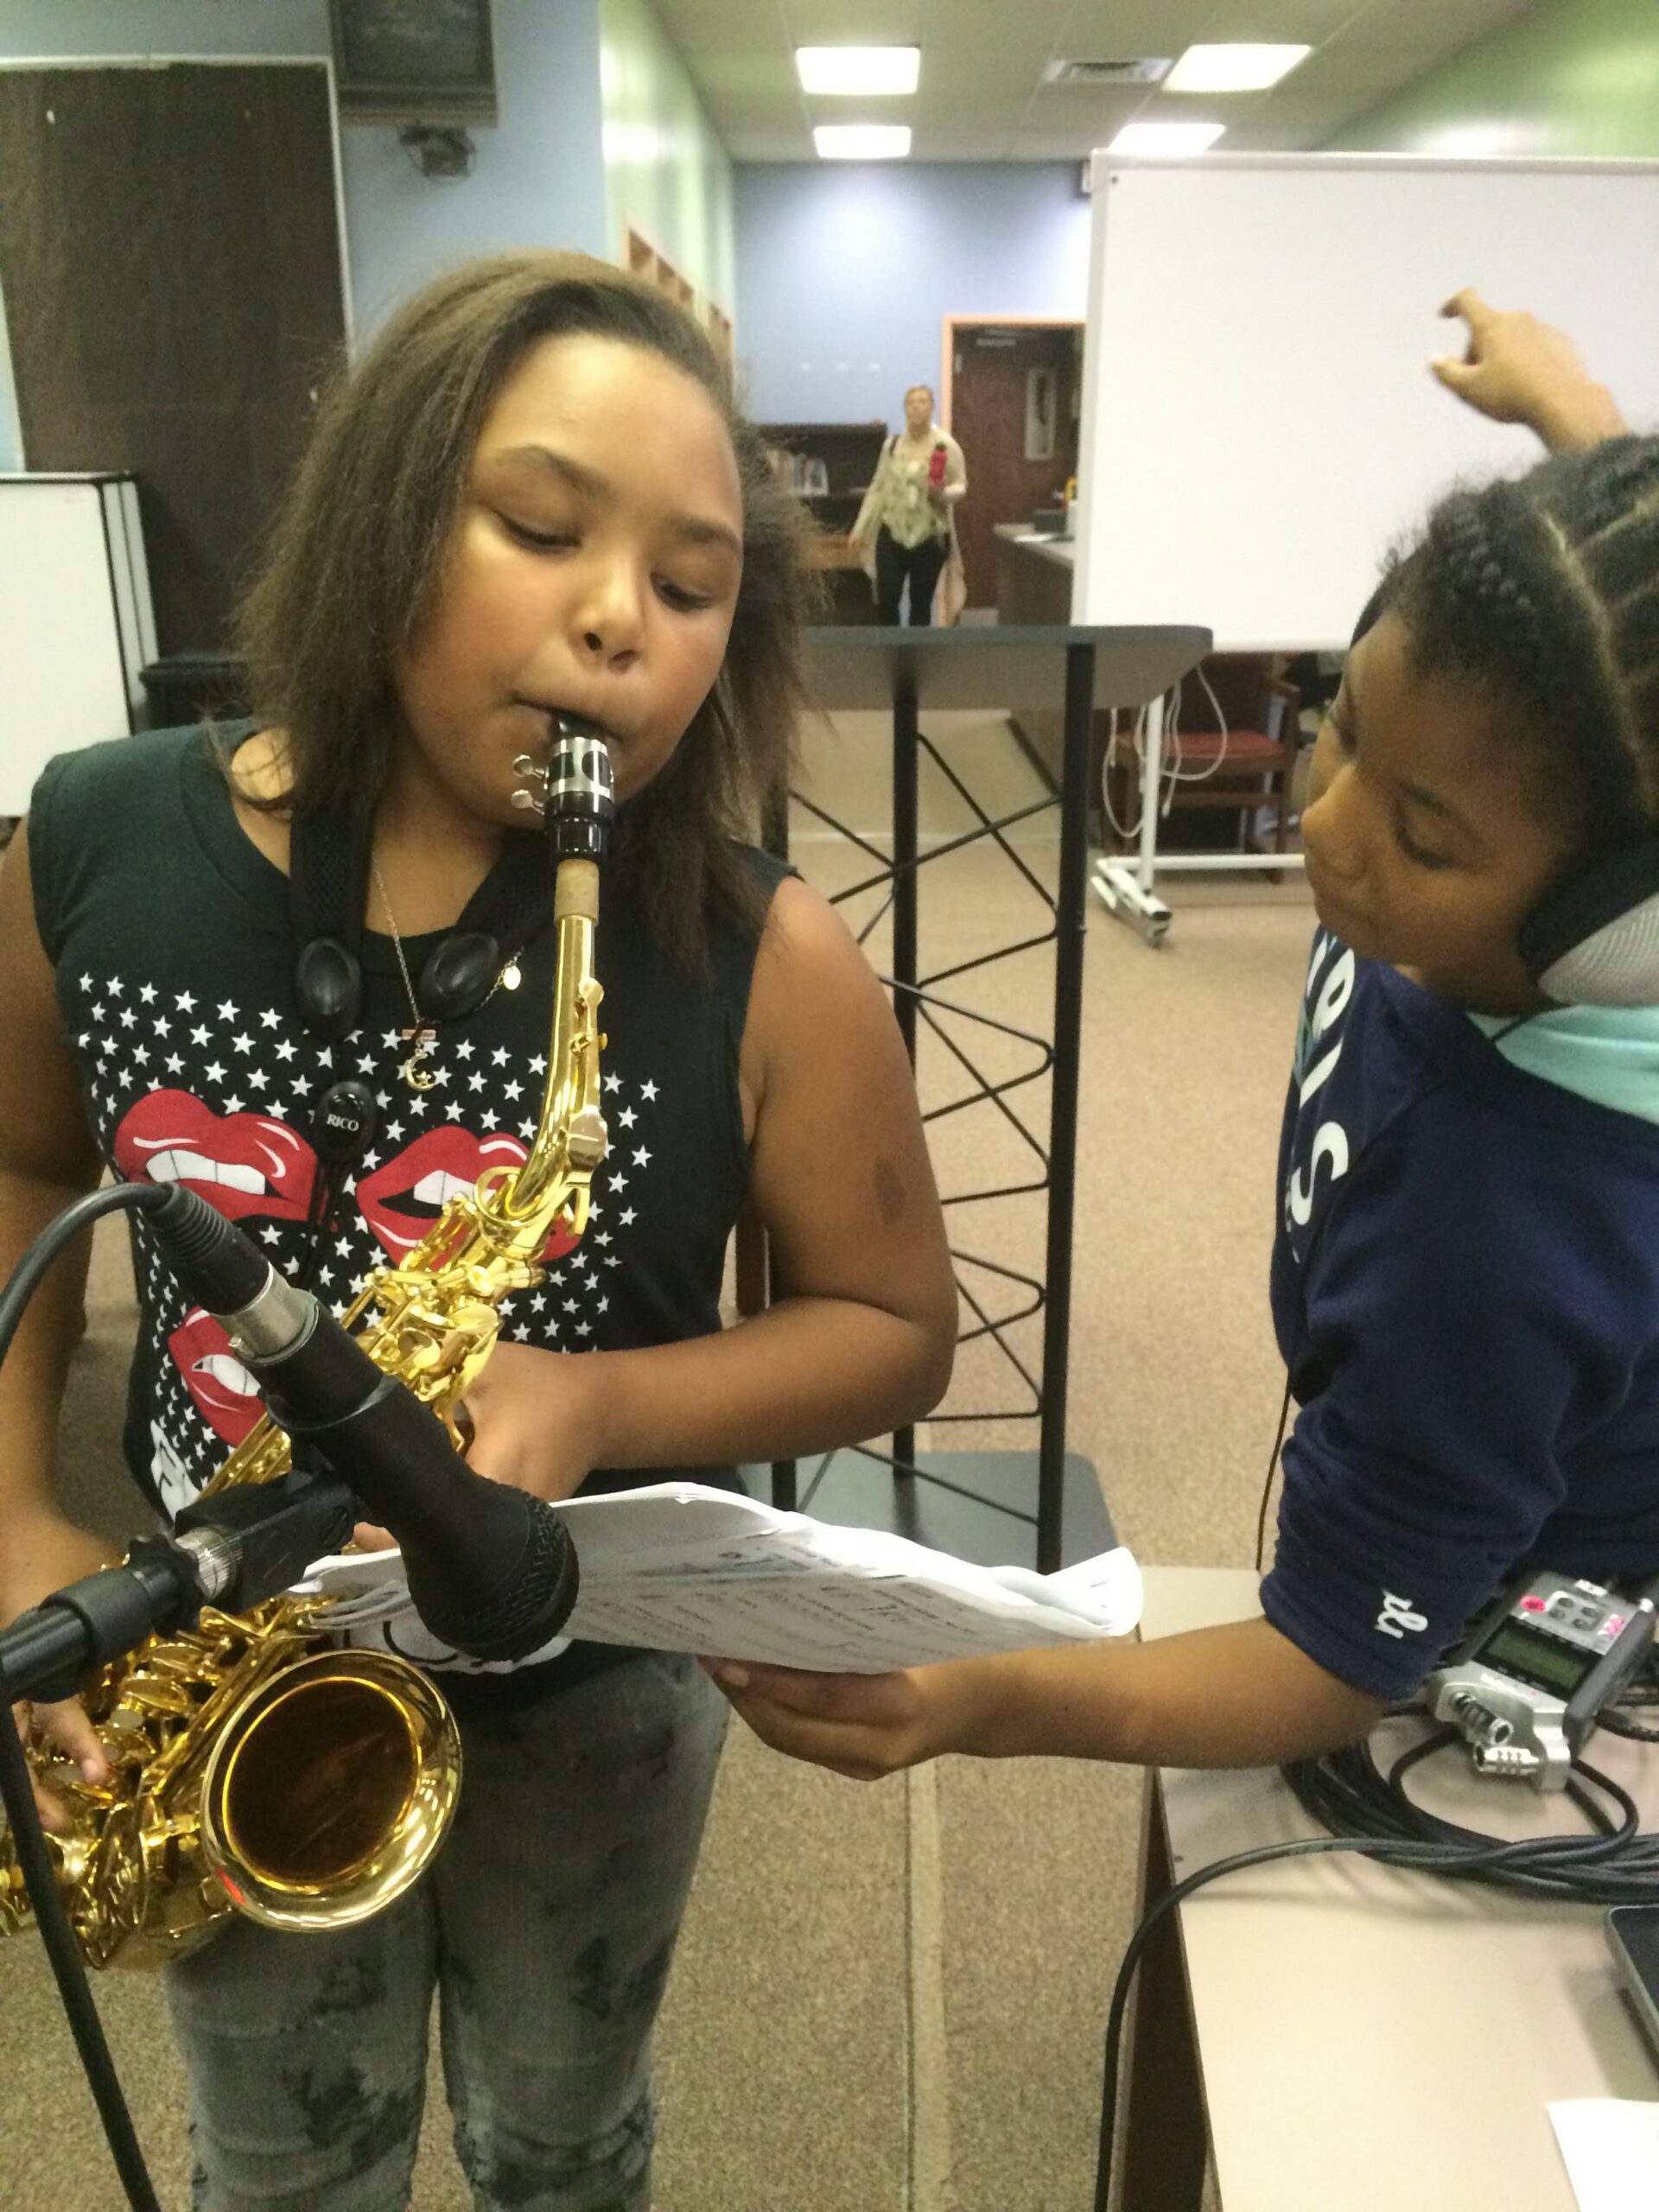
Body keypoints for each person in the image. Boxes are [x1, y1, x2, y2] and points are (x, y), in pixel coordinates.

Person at [0, 251, 957, 2211]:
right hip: (227, 1646)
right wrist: (13, 1507)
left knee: (561, 2132)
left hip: (591, 1664)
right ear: (377, 514)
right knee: (275, 2161)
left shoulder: (764, 954)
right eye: (538, 526)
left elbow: (889, 1322)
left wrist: (598, 1392)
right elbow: (17, 1164)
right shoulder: (88, 847)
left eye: (692, 589)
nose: (620, 618)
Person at [704, 296, 1659, 1782]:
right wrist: (1574, 418)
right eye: (1344, 726)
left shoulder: (1498, 1237)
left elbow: (1331, 1662)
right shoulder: (1575, 773)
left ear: (1616, 933)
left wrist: (983, 1698)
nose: (1329, 832)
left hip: (1514, 1615)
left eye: (1424, 832)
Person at [849, 383, 967, 626]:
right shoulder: (892, 446)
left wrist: (942, 494)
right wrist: (860, 527)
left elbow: (961, 485)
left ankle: (916, 657)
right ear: (905, 408)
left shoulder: (945, 446)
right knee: (887, 597)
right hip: (893, 531)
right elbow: (877, 488)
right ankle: (889, 652)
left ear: (932, 407)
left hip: (930, 534)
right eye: (911, 402)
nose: (916, 407)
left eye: (923, 401)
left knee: (921, 603)